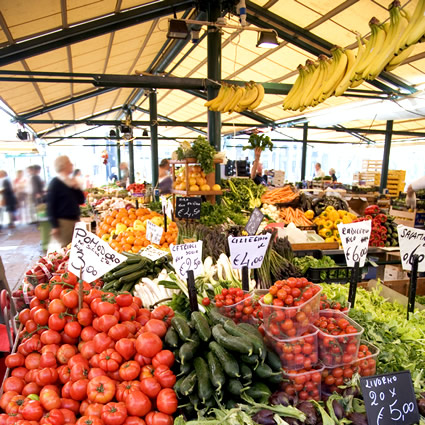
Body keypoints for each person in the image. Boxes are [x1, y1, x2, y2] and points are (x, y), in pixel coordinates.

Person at [47, 156, 85, 247]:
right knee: (67, 248)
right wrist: (54, 226)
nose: (72, 165)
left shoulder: (71, 182)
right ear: (63, 166)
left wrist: (76, 188)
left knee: (76, 247)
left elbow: (81, 200)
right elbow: (50, 207)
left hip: (75, 220)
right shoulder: (55, 183)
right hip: (64, 223)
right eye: (69, 163)